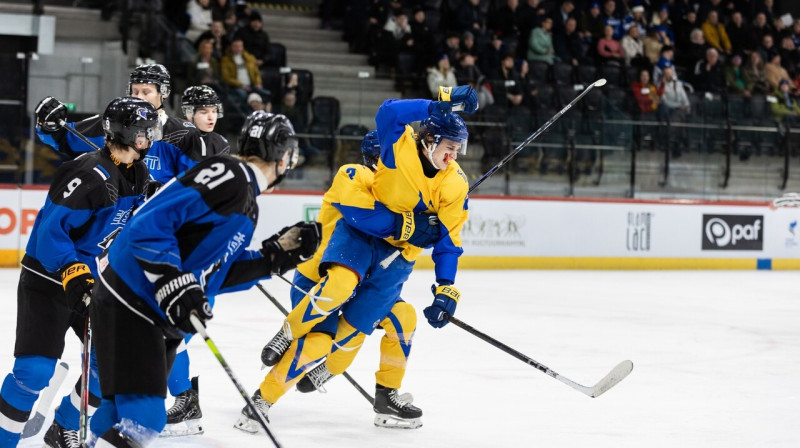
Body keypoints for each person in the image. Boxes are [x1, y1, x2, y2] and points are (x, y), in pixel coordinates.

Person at [244, 86, 477, 430]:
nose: (453, 157)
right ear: (429, 141)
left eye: (459, 150)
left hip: (394, 262)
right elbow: (364, 216)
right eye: (449, 149)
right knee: (332, 306)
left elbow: (450, 239)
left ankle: (385, 397)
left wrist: (446, 287)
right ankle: (270, 382)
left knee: (383, 326)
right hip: (346, 254)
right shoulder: (366, 168)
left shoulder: (455, 183)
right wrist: (438, 101)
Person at [86, 111, 321, 448]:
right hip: (134, 298)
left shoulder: (243, 193)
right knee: (145, 419)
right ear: (283, 156)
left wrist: (273, 258)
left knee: (118, 408)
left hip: (146, 306)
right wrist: (172, 280)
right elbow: (149, 223)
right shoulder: (231, 176)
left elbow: (215, 273)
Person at [234, 132, 424, 431]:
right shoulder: (354, 174)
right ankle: (262, 399)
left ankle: (386, 394)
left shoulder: (404, 192)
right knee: (319, 342)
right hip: (318, 276)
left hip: (362, 284)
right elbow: (370, 219)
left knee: (403, 318)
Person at [0, 97, 160, 448]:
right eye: (147, 131)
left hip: (90, 276)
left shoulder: (139, 175)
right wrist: (73, 272)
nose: (152, 136)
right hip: (47, 278)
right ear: (132, 135)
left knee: (109, 365)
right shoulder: (87, 174)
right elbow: (49, 236)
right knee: (34, 373)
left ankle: (63, 427)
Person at [159, 85, 232, 437]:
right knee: (169, 329)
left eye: (213, 109)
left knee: (172, 327)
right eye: (203, 111)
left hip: (198, 251)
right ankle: (185, 400)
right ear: (189, 114)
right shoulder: (188, 139)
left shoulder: (207, 142)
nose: (210, 115)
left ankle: (185, 398)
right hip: (186, 245)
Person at [34, 64, 212, 183]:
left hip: (157, 224)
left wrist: (162, 196)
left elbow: (195, 185)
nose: (139, 98)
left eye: (146, 92)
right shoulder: (112, 122)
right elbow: (64, 138)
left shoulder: (184, 133)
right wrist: (47, 124)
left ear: (163, 93)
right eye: (134, 92)